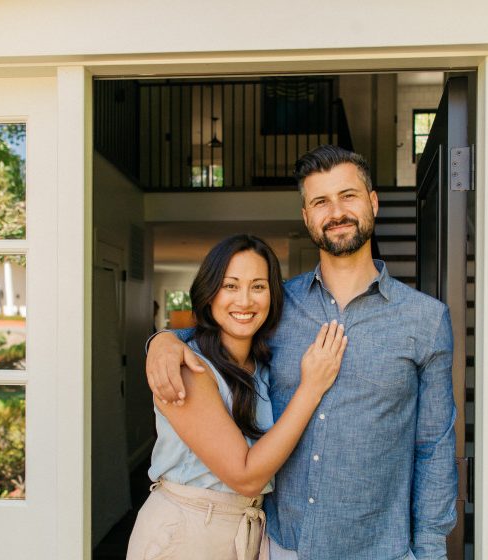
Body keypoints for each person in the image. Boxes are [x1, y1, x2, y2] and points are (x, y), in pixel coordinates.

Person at [147, 146, 457, 560]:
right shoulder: (275, 306)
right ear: (306, 216)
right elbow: (218, 330)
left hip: (381, 549)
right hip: (280, 546)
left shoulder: (426, 320)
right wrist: (163, 341)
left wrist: (430, 552)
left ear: (373, 202)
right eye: (320, 201)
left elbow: (433, 448)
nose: (337, 212)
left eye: (348, 195)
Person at [128, 234, 348, 560]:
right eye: (230, 286)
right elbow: (245, 477)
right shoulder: (190, 367)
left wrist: (163, 338)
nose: (244, 301)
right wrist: (311, 388)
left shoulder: (261, 364)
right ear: (209, 293)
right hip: (188, 533)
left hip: (246, 533)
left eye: (258, 287)